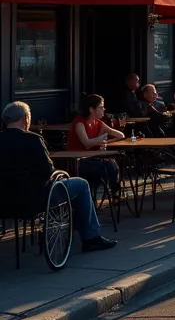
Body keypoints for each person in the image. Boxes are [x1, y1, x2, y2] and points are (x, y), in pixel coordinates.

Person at [0, 101, 117, 252]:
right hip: (36, 198)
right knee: (81, 184)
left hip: (4, 200)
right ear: (25, 119)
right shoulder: (33, 139)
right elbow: (48, 171)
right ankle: (91, 237)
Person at [67, 94, 125, 194]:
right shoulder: (79, 123)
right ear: (91, 110)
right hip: (77, 161)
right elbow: (86, 143)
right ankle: (108, 193)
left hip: (91, 158)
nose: (104, 110)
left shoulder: (98, 123)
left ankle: (113, 192)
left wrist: (105, 142)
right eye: (101, 107)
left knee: (114, 162)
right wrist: (101, 140)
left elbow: (120, 135)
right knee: (106, 166)